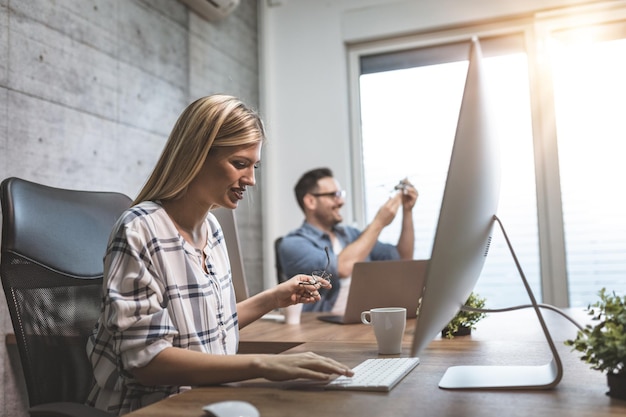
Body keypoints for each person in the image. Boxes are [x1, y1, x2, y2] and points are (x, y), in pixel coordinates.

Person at [86, 95, 353, 415]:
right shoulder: (139, 229)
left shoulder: (211, 229)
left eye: (254, 166)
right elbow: (146, 361)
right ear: (195, 155)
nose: (251, 180)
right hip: (156, 406)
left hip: (211, 398)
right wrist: (263, 364)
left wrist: (273, 298)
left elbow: (209, 328)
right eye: (239, 164)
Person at [277, 167, 418, 314]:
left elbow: (403, 258)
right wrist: (379, 223)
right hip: (322, 328)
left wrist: (407, 211)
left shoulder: (352, 235)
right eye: (334, 195)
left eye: (341, 194)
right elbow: (342, 268)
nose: (341, 201)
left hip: (365, 321)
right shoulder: (293, 244)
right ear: (311, 201)